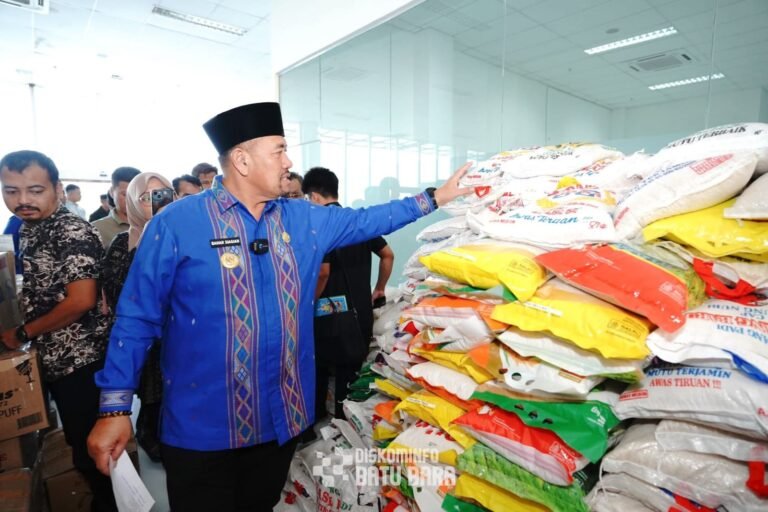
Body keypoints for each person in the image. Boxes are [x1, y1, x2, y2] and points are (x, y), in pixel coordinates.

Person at [87, 102, 470, 511]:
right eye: (279, 150)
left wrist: (435, 197)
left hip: (279, 421)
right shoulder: (177, 223)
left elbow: (368, 220)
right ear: (242, 160)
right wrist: (115, 407)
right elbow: (136, 317)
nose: (289, 162)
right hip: (203, 428)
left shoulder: (301, 219)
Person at [0, 150, 117, 512]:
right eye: (11, 190)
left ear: (57, 189)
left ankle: (114, 505)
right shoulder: (32, 228)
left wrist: (22, 333)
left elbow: (81, 300)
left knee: (90, 449)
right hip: (56, 356)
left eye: (34, 190)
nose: (22, 200)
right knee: (79, 444)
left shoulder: (70, 230)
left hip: (81, 361)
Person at [302, 166, 394, 420]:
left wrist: (308, 302)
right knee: (349, 376)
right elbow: (388, 255)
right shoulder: (359, 221)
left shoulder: (323, 226)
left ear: (314, 197)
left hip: (327, 314)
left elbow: (323, 273)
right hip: (360, 314)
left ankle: (316, 429)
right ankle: (345, 429)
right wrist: (379, 288)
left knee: (319, 373)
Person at [102, 172, 175, 463]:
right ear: (132, 202)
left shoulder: (183, 236)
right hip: (144, 339)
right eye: (147, 197)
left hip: (181, 338)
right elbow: (120, 293)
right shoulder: (123, 243)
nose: (157, 203)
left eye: (164, 194)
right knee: (153, 401)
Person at [92, 167, 140, 248]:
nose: (132, 200)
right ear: (111, 192)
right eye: (124, 194)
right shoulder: (96, 230)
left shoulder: (152, 225)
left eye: (137, 194)